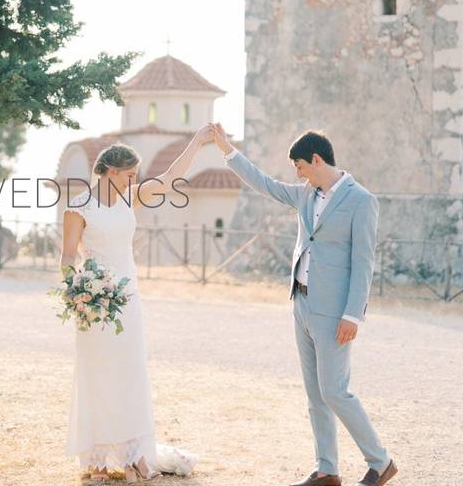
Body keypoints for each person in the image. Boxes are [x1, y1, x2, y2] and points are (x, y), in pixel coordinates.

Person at [212, 124, 397, 486]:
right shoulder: (306, 194)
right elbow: (263, 183)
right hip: (301, 303)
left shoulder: (362, 201)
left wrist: (352, 315)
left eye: (299, 166)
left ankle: (381, 461)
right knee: (315, 394)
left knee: (335, 391)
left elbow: (363, 263)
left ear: (316, 159)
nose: (296, 174)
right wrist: (227, 149)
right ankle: (327, 469)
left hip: (335, 312)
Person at [60, 128, 208, 483]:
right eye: (129, 175)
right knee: (97, 375)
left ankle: (134, 455)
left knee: (130, 373)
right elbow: (68, 256)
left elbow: (171, 178)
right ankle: (96, 458)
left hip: (128, 299)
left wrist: (198, 142)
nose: (133, 181)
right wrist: (78, 293)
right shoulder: (78, 207)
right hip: (94, 305)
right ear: (110, 171)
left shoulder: (130, 198)